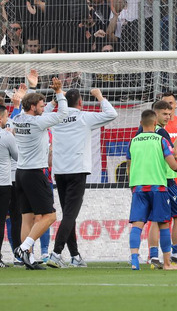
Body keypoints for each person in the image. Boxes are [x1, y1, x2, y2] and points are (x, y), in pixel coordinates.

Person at [45, 88, 118, 269]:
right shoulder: (84, 117)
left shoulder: (56, 117)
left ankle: (75, 256)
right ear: (80, 103)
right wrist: (100, 97)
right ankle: (56, 253)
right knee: (70, 214)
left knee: (69, 214)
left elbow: (43, 114)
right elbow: (111, 114)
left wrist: (55, 101)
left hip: (60, 172)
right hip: (77, 171)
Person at [13, 77, 69, 270]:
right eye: (41, 105)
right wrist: (60, 92)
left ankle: (27, 258)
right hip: (35, 174)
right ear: (33, 107)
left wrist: (36, 93)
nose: (44, 108)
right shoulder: (38, 123)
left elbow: (40, 110)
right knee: (50, 216)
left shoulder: (18, 118)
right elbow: (62, 113)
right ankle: (24, 248)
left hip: (20, 174)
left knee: (27, 218)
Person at [127, 109, 177, 271]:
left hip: (138, 188)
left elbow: (129, 167)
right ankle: (167, 263)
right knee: (163, 224)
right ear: (155, 123)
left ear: (141, 123)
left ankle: (134, 260)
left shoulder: (133, 141)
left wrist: (133, 185)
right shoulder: (161, 140)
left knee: (137, 225)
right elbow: (172, 163)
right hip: (158, 188)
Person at [142, 99, 177, 268]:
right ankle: (174, 255)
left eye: (170, 114)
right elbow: (175, 154)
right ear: (155, 114)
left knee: (157, 219)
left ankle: (153, 257)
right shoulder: (161, 132)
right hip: (167, 180)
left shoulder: (141, 132)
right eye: (164, 113)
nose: (168, 117)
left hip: (151, 180)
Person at [0, 103, 19, 268]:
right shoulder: (6, 136)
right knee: (3, 221)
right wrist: (13, 135)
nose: (7, 120)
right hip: (3, 184)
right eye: (6, 116)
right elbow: (18, 156)